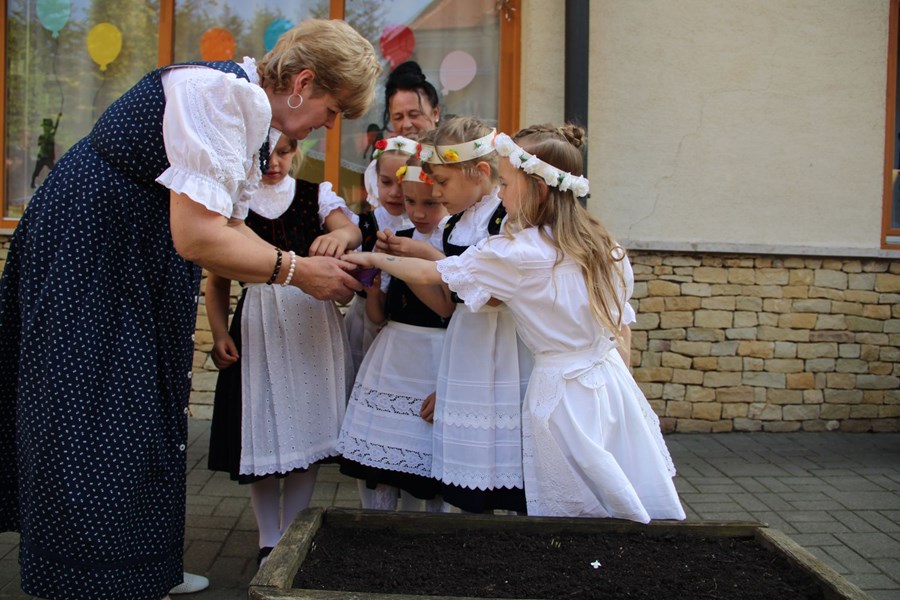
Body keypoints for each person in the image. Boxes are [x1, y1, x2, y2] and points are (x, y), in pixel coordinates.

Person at [0, 19, 380, 600]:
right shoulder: (220, 95)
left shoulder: (248, 116)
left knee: (146, 410)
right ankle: (87, 579)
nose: (329, 126)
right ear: (303, 83)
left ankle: (140, 569)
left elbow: (230, 229)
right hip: (95, 246)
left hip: (134, 252)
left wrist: (302, 271)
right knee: (97, 409)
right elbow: (200, 236)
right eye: (332, 111)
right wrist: (300, 272)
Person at [342, 124, 687, 522]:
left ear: (538, 189)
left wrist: (375, 259)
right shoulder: (604, 244)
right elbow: (619, 324)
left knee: (569, 500)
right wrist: (624, 378)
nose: (501, 195)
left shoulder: (518, 251)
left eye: (505, 184)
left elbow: (434, 274)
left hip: (560, 391)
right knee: (618, 489)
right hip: (611, 384)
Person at [206, 134, 358, 566]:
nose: (273, 162)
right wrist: (218, 332)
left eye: (284, 153)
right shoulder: (236, 203)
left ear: (296, 152)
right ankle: (267, 539)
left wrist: (341, 236)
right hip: (258, 323)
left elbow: (351, 228)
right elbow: (217, 278)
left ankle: (292, 530)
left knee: (306, 426)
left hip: (310, 320)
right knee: (263, 427)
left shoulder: (315, 195)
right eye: (264, 154)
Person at [395, 116, 532, 514]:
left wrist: (427, 261)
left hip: (503, 346)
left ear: (481, 172)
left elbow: (494, 298)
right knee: (471, 468)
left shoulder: (505, 219)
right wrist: (403, 265)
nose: (436, 192)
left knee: (508, 452)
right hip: (466, 345)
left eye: (442, 181)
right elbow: (446, 304)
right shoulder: (453, 224)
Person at [337, 160, 451, 512]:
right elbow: (377, 316)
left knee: (431, 461)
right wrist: (373, 286)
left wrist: (413, 257)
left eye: (430, 203)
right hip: (395, 356)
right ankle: (381, 528)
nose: (418, 212)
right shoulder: (398, 239)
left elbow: (450, 307)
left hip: (437, 355)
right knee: (384, 461)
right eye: (410, 202)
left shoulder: (454, 241)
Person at [346, 136, 416, 374]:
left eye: (403, 183)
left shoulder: (425, 227)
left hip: (406, 323)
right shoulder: (363, 224)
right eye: (386, 182)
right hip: (364, 321)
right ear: (374, 178)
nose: (394, 193)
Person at [384, 61, 440, 137]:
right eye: (398, 118)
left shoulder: (453, 144)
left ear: (435, 113)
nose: (407, 125)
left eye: (414, 115)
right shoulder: (384, 145)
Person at [30, 112, 61, 188]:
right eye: (45, 127)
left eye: (48, 127)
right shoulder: (42, 136)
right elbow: (39, 144)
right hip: (41, 156)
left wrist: (58, 118)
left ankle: (56, 184)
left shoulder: (51, 135)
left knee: (54, 170)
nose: (46, 129)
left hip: (48, 158)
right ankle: (33, 183)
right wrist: (44, 142)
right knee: (37, 171)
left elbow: (56, 127)